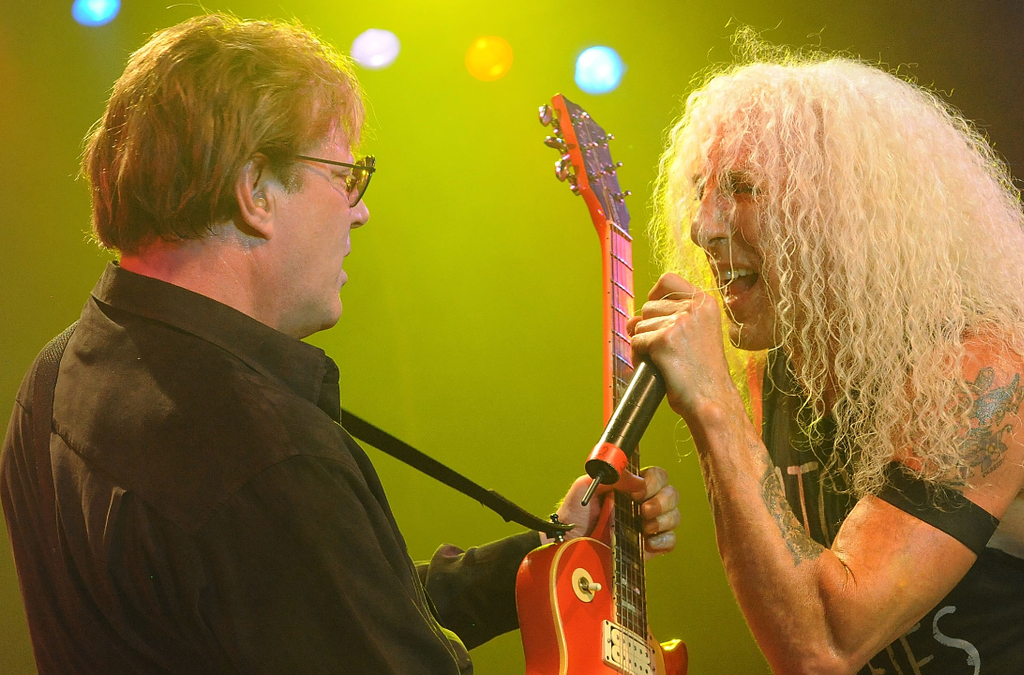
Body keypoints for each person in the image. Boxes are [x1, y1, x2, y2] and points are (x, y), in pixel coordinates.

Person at [0, 14, 680, 674]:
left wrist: (546, 545)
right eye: (344, 175)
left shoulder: (51, 380)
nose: (360, 208)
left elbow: (316, 602)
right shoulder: (264, 456)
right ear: (255, 192)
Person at [629, 46, 1024, 675]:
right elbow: (788, 592)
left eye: (745, 190)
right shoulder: (776, 376)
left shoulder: (978, 381)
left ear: (849, 216)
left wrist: (713, 407)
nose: (702, 228)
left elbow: (823, 647)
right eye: (701, 192)